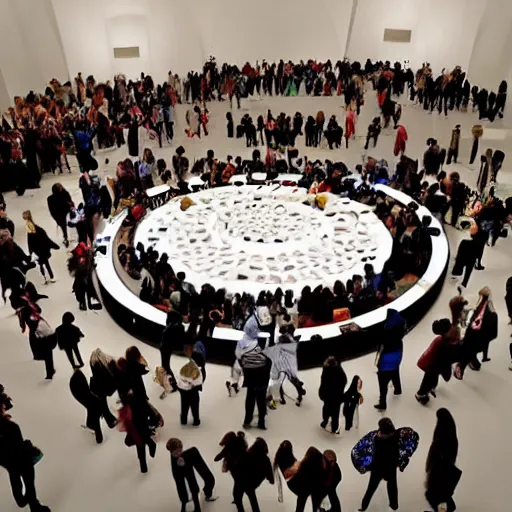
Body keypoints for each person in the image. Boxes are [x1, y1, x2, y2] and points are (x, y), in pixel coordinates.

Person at [0, 392, 51, 512]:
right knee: (29, 482)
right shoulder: (11, 427)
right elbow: (18, 448)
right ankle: (35, 506)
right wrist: (27, 446)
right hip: (22, 460)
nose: (4, 407)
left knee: (15, 478)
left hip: (8, 462)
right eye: (2, 405)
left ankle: (21, 500)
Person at [455, 287, 498, 378]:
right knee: (469, 353)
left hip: (476, 338)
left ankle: (462, 365)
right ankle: (462, 367)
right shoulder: (486, 309)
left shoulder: (485, 311)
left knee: (469, 353)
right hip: (476, 338)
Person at [358, 418, 399, 511]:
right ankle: (394, 505)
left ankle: (364, 507)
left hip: (379, 468)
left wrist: (369, 466)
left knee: (372, 488)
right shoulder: (395, 438)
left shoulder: (379, 440)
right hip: (388, 467)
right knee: (391, 486)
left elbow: (376, 455)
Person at [167, 437, 218, 512]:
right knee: (185, 487)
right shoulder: (175, 463)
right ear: (171, 452)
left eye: (180, 450)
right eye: (176, 452)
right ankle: (187, 503)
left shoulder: (189, 453)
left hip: (188, 470)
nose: (179, 453)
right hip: (181, 475)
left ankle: (198, 505)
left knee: (193, 484)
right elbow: (179, 481)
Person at [425, 408, 461, 512]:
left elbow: (436, 448)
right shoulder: (451, 434)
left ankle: (443, 509)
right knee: (439, 493)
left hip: (440, 465)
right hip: (444, 465)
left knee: (434, 493)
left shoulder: (442, 435)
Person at [374, 309, 405, 410]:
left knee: (382, 380)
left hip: (387, 356)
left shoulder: (386, 331)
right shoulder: (401, 327)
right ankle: (397, 389)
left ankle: (382, 402)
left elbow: (378, 341)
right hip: (398, 352)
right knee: (395, 370)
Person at [23, 210, 59, 284]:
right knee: (47, 264)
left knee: (41, 264)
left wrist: (31, 252)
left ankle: (45, 278)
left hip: (37, 251)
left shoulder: (29, 233)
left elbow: (29, 243)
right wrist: (54, 245)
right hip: (43, 250)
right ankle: (51, 277)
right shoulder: (39, 230)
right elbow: (46, 239)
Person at [69, 368, 104, 443]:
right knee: (93, 416)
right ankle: (90, 426)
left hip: (94, 405)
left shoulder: (75, 381)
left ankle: (99, 439)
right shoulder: (80, 378)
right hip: (94, 403)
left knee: (96, 422)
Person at [160, 299, 185, 392]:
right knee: (165, 365)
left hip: (166, 346)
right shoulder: (177, 325)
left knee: (166, 365)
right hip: (168, 346)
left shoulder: (171, 328)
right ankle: (168, 381)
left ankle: (173, 384)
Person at [319, 356, 347, 434]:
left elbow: (323, 383)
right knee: (335, 412)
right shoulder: (339, 370)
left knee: (326, 409)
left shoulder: (326, 370)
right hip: (337, 395)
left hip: (327, 395)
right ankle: (334, 427)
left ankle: (325, 422)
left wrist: (321, 393)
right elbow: (344, 380)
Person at [177, 359, 203, 426]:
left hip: (183, 392)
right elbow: (199, 382)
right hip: (193, 393)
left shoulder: (181, 373)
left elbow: (178, 384)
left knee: (184, 407)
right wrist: (192, 383)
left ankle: (183, 421)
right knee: (195, 408)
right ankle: (196, 421)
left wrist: (185, 385)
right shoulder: (197, 373)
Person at [47, 183, 73, 247]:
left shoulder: (65, 194)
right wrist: (56, 218)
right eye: (60, 187)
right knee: (63, 227)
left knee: (68, 227)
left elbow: (70, 202)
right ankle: (65, 238)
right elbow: (52, 210)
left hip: (67, 213)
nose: (62, 188)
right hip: (59, 216)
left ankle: (66, 237)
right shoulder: (50, 199)